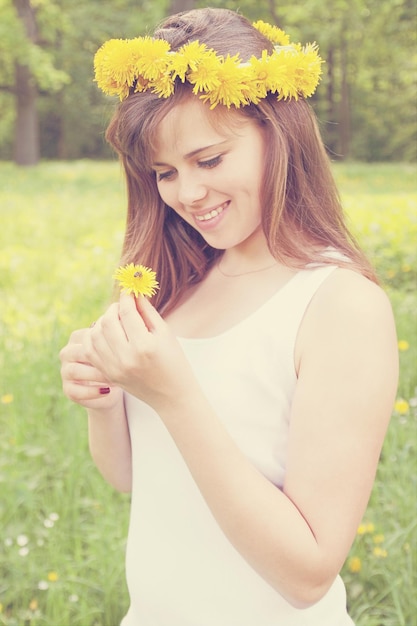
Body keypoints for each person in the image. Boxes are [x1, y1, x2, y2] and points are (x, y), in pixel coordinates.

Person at [60, 8, 398, 625]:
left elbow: (307, 573)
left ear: (279, 134)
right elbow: (135, 479)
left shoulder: (339, 305)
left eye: (209, 160)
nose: (186, 193)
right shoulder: (178, 285)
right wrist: (107, 402)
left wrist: (175, 395)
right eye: (164, 173)